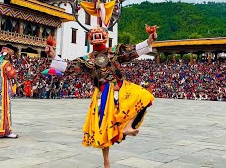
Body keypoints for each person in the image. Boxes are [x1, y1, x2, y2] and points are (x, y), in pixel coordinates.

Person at [46, 27, 157, 168]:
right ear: (90, 39)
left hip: (121, 87)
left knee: (145, 96)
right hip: (103, 93)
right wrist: (53, 55)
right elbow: (67, 67)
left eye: (99, 35)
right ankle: (106, 161)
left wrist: (149, 40)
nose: (97, 38)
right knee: (104, 127)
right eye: (94, 36)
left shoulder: (114, 52)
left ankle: (128, 126)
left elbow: (133, 50)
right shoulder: (86, 60)